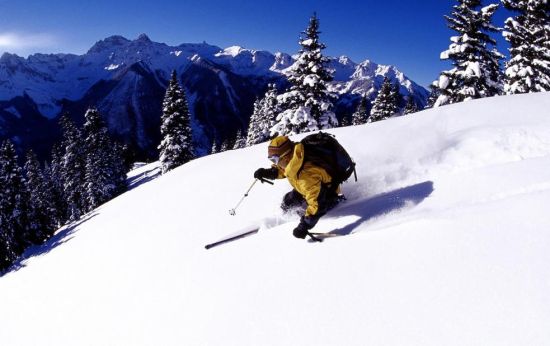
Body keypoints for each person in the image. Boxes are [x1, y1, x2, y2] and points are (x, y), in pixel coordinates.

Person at [254, 135, 342, 239]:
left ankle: (335, 203)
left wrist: (303, 226)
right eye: (272, 160)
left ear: (286, 156)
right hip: (305, 190)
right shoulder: (294, 159)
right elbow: (285, 170)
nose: (274, 163)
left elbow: (317, 206)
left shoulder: (306, 174)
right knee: (287, 202)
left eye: (275, 160)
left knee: (306, 210)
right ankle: (284, 218)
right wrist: (268, 173)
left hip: (326, 196)